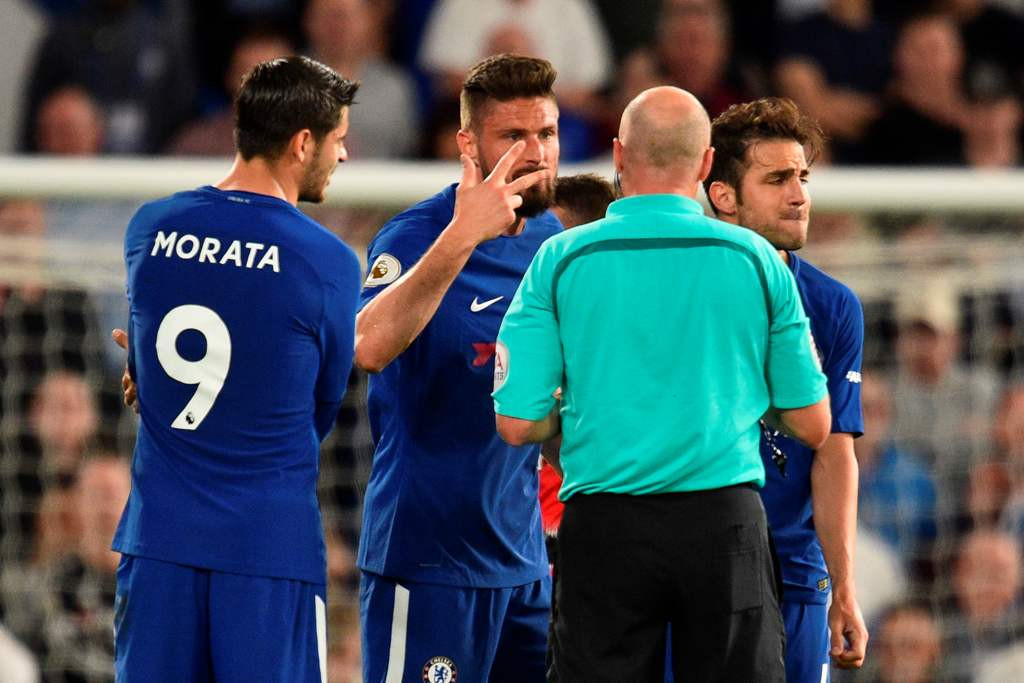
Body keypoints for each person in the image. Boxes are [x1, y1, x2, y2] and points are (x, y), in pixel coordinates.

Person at [493, 85, 831, 682]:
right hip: (724, 520)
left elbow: (517, 423)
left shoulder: (559, 258)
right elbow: (813, 423)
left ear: (619, 155)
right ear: (706, 164)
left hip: (604, 523)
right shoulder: (756, 259)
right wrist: (741, 401)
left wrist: (579, 416)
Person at [110, 56, 361, 682]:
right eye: (338, 139)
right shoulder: (327, 261)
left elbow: (147, 363)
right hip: (265, 550)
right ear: (302, 143)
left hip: (158, 542)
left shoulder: (150, 229)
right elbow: (322, 407)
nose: (344, 154)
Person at [353, 53, 558, 682]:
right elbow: (368, 346)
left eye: (547, 133)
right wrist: (463, 235)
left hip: (525, 563)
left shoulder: (552, 240)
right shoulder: (413, 236)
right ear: (468, 144)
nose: (536, 153)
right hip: (427, 560)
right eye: (514, 135)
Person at [704, 96, 869, 680]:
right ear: (724, 195)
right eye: (777, 180)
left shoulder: (832, 305)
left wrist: (844, 586)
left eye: (802, 177)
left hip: (795, 575)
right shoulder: (685, 294)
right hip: (695, 569)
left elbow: (835, 451)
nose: (799, 195)